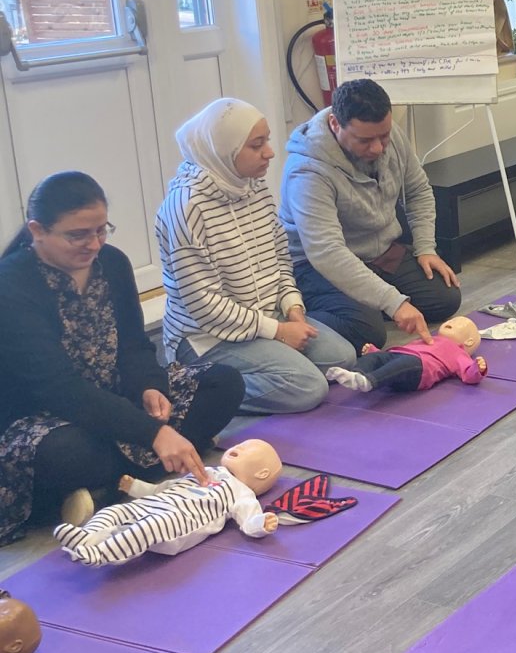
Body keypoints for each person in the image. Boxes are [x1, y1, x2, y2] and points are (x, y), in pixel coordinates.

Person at [0, 172, 243, 547]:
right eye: (78, 235)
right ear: (37, 230)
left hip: (115, 402)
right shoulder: (12, 283)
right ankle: (126, 471)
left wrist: (149, 386)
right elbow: (59, 389)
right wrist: (154, 433)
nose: (93, 243)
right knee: (66, 454)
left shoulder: (111, 262)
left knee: (223, 382)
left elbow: (134, 345)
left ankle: (100, 488)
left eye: (101, 230)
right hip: (48, 417)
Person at [157, 98, 355, 414]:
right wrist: (277, 332)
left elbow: (279, 256)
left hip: (263, 317)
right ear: (226, 150)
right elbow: (204, 304)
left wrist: (293, 307)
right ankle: (195, 387)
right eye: (256, 145)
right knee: (308, 387)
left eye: (267, 141)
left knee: (342, 357)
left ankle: (269, 368)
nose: (270, 152)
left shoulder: (253, 187)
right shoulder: (186, 208)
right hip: (207, 338)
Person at [279, 79, 461, 354]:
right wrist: (394, 302)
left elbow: (418, 190)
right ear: (335, 124)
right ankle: (295, 320)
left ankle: (367, 301)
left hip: (379, 252)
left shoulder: (388, 133)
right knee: (369, 330)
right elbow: (327, 252)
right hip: (318, 266)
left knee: (445, 298)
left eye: (383, 136)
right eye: (365, 140)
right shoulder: (307, 171)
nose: (377, 148)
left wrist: (425, 248)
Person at [54, 438, 281, 567]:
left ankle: (102, 553)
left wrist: (261, 523)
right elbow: (165, 488)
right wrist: (135, 488)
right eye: (241, 444)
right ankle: (88, 535)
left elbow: (248, 518)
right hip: (157, 502)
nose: (239, 446)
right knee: (115, 511)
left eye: (248, 449)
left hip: (180, 521)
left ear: (261, 473)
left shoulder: (241, 492)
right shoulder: (208, 470)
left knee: (147, 528)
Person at [325, 316, 487, 393]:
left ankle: (370, 381)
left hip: (420, 369)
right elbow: (400, 352)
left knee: (402, 365)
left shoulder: (458, 352)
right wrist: (376, 353)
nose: (451, 322)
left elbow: (468, 375)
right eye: (452, 320)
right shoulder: (429, 338)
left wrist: (477, 369)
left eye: (458, 325)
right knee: (375, 358)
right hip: (399, 354)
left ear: (469, 342)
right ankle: (356, 374)